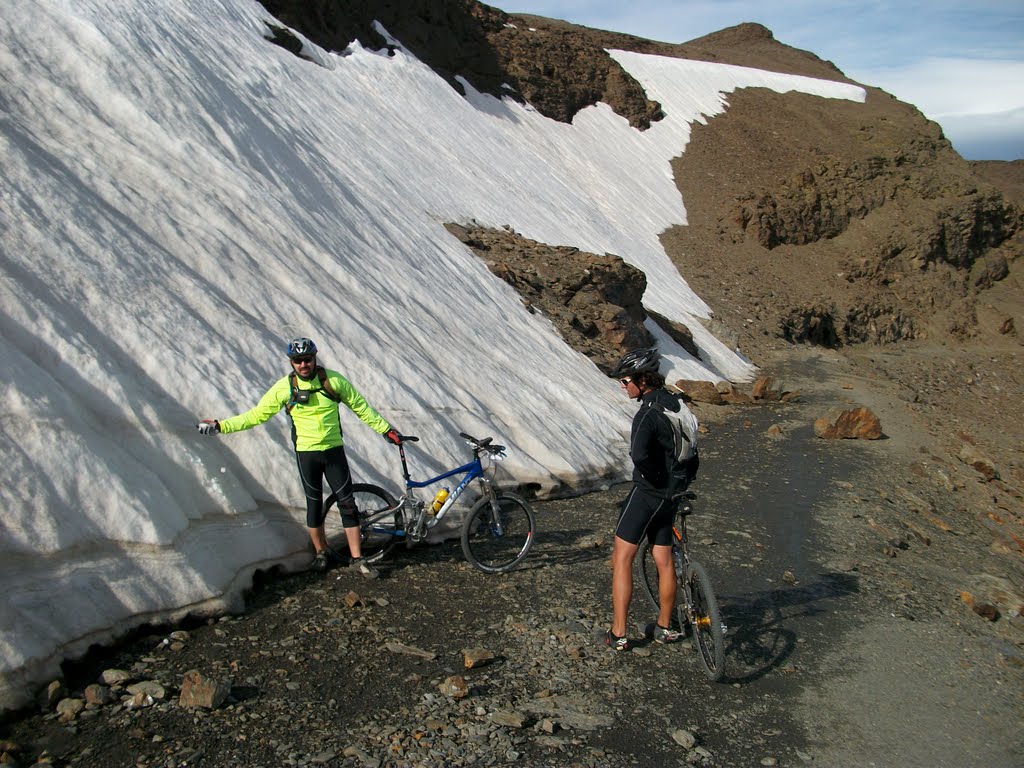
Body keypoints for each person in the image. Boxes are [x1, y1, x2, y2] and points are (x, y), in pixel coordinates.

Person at [196, 337, 401, 577]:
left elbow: (361, 407)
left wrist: (386, 430)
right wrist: (221, 426)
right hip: (307, 453)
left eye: (307, 359)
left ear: (314, 358)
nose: (303, 364)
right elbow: (256, 415)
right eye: (298, 360)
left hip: (334, 451)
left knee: (347, 503)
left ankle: (357, 559)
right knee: (314, 505)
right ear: (291, 362)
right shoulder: (285, 388)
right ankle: (321, 553)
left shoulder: (333, 381)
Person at [605, 347, 698, 651]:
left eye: (625, 380)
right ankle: (665, 627)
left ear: (642, 380)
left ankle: (619, 633)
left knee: (622, 557)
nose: (623, 386)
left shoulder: (647, 414)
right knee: (663, 558)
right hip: (674, 492)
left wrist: (654, 480)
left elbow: (639, 455)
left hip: (649, 493)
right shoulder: (677, 404)